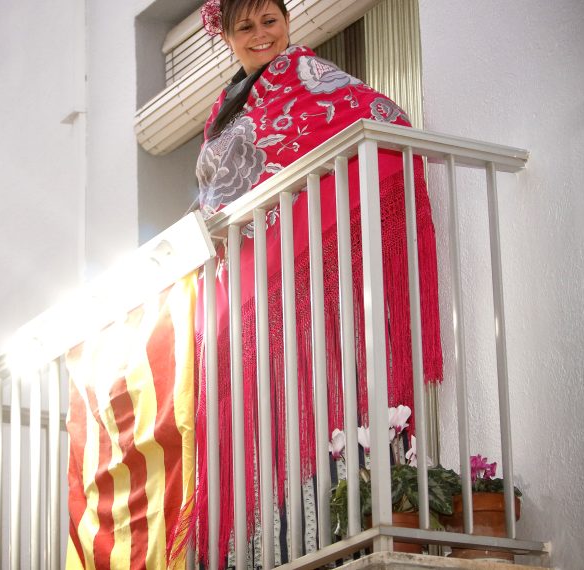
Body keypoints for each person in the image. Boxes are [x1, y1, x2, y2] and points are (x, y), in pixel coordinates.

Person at [191, 0, 444, 567]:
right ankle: (276, 546)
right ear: (227, 37)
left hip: (306, 272)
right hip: (254, 282)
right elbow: (215, 194)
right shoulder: (222, 110)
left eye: (270, 21)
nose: (262, 35)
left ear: (287, 23)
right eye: (246, 26)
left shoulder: (309, 74)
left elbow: (381, 117)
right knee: (267, 419)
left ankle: (340, 532)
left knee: (329, 395)